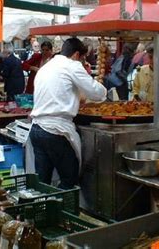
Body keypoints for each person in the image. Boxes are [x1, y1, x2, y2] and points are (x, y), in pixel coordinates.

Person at [29, 38, 107, 189]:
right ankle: (63, 209)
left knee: (42, 182)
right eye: (83, 58)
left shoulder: (47, 66)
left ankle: (43, 210)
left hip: (37, 129)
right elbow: (96, 92)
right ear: (77, 55)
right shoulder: (72, 65)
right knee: (69, 178)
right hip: (55, 131)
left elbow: (60, 91)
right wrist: (104, 90)